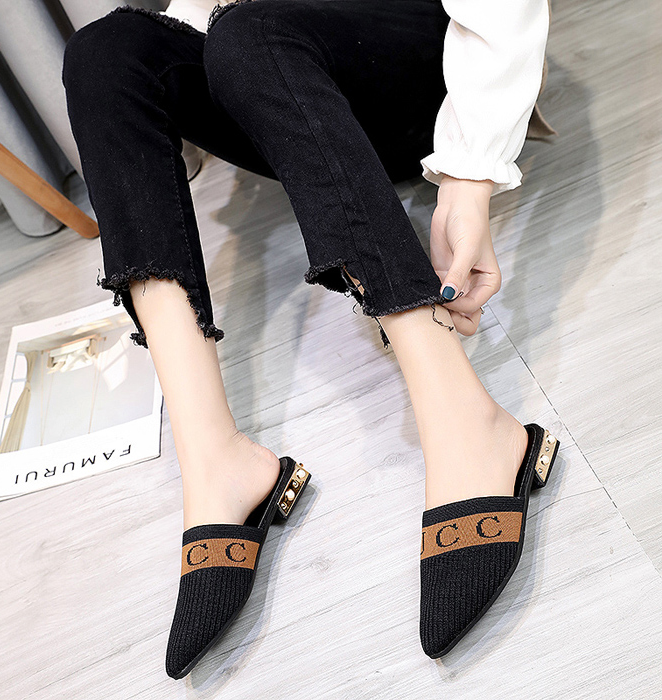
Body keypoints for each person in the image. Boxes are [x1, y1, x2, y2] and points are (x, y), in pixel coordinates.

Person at [61, 0, 560, 678]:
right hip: (279, 82)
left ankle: (466, 419)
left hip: (432, 72)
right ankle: (213, 459)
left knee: (248, 32)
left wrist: (469, 181)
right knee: (105, 51)